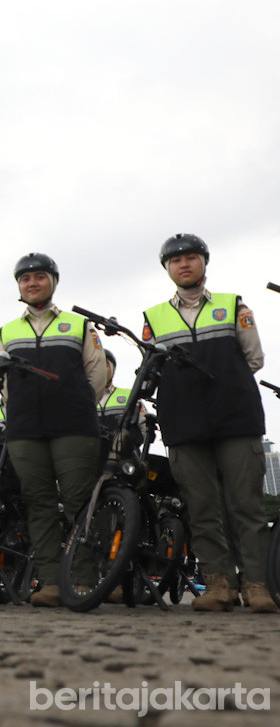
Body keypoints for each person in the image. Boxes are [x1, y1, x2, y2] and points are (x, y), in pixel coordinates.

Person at [143, 233, 276, 613]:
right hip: (183, 422)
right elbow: (153, 368)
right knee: (201, 507)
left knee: (246, 505)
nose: (184, 264)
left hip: (235, 417)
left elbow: (253, 359)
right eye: (175, 260)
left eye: (191, 257)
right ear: (167, 269)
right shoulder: (153, 317)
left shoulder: (234, 305)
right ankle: (219, 584)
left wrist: (222, 384)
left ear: (204, 262)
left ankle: (257, 586)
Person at [0, 253, 105, 608]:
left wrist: (79, 403)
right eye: (25, 279)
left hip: (74, 426)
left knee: (78, 502)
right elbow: (5, 385)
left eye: (39, 277)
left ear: (53, 281)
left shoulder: (78, 325)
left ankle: (83, 579)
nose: (32, 283)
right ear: (18, 287)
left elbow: (97, 374)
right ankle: (51, 582)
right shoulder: (7, 331)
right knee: (38, 505)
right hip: (25, 430)